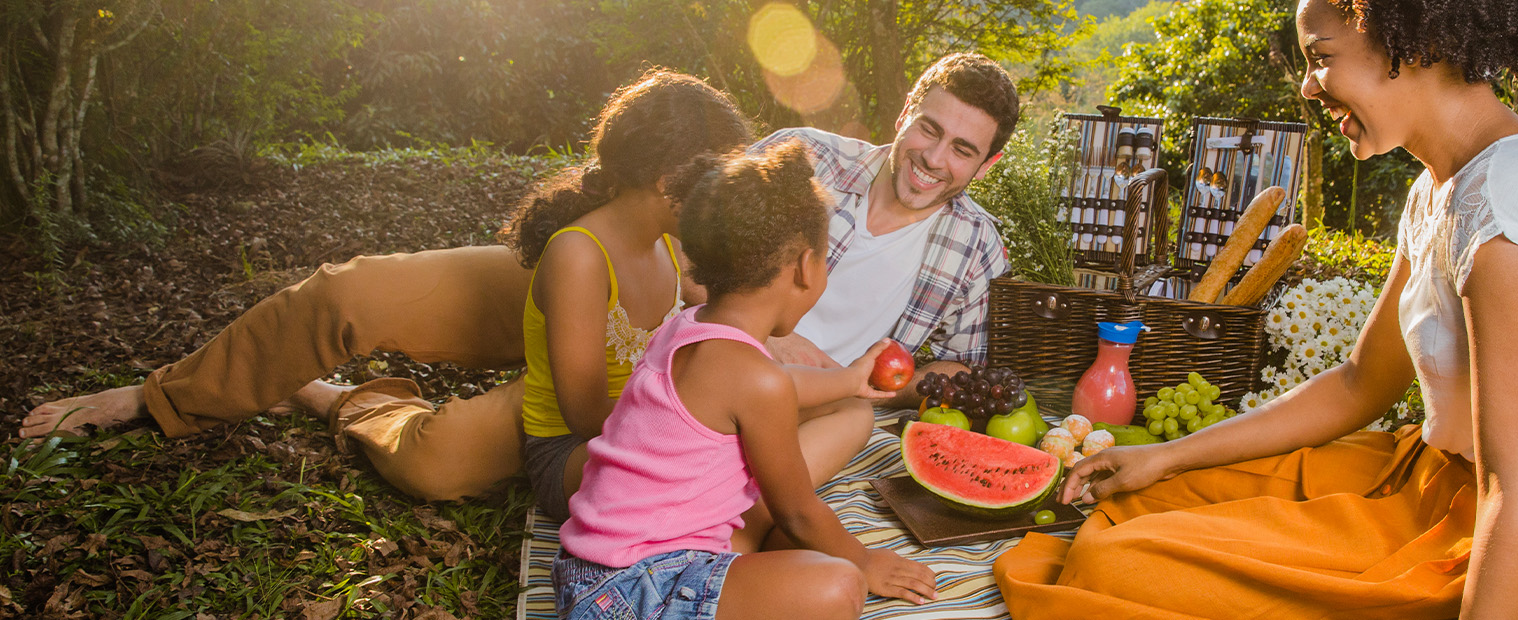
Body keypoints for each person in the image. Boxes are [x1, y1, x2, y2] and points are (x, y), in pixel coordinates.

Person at [993, 0, 1518, 617]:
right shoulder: (1439, 186)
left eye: (1321, 57)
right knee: (1139, 503)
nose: (1307, 86)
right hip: (1421, 473)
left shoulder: (1507, 216)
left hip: (1495, 528)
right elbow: (1360, 384)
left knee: (1114, 566)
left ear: (1416, 42)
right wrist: (1166, 454)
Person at [18, 70, 758, 504]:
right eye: (718, 174)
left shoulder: (681, 236)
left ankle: (337, 397)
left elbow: (723, 312)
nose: (728, 192)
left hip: (589, 380)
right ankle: (158, 397)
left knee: (433, 466)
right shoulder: (584, 246)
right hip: (561, 303)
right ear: (667, 179)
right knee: (352, 291)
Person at [553, 142, 937, 620]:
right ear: (804, 266)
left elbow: (778, 383)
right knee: (838, 585)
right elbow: (798, 510)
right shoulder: (756, 381)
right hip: (630, 591)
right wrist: (863, 560)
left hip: (593, 568)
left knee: (771, 532)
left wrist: (848, 379)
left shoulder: (691, 325)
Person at [752, 52, 1017, 410]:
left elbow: (962, 366)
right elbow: (684, 247)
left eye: (962, 150)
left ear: (987, 165)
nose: (935, 159)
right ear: (905, 112)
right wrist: (768, 339)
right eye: (929, 129)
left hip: (833, 411)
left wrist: (861, 383)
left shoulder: (977, 246)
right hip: (727, 364)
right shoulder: (804, 158)